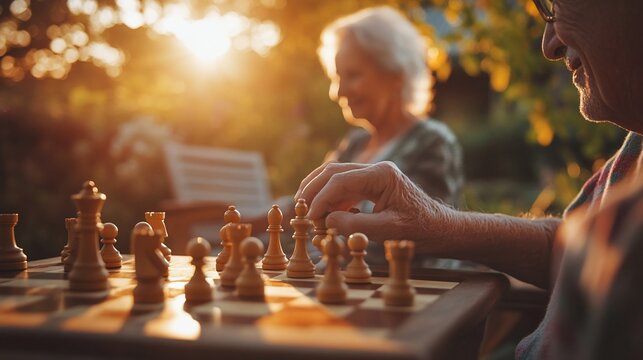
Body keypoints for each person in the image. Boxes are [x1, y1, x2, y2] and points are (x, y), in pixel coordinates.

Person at [295, 0, 643, 358]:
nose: (548, 45)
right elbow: (572, 247)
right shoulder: (633, 151)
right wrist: (438, 223)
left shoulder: (430, 141)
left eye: (557, 5)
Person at [311, 6, 465, 268]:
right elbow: (309, 212)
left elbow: (417, 240)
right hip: (346, 287)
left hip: (415, 296)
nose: (338, 92)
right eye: (337, 77)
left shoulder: (434, 142)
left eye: (353, 75)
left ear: (395, 75)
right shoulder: (355, 143)